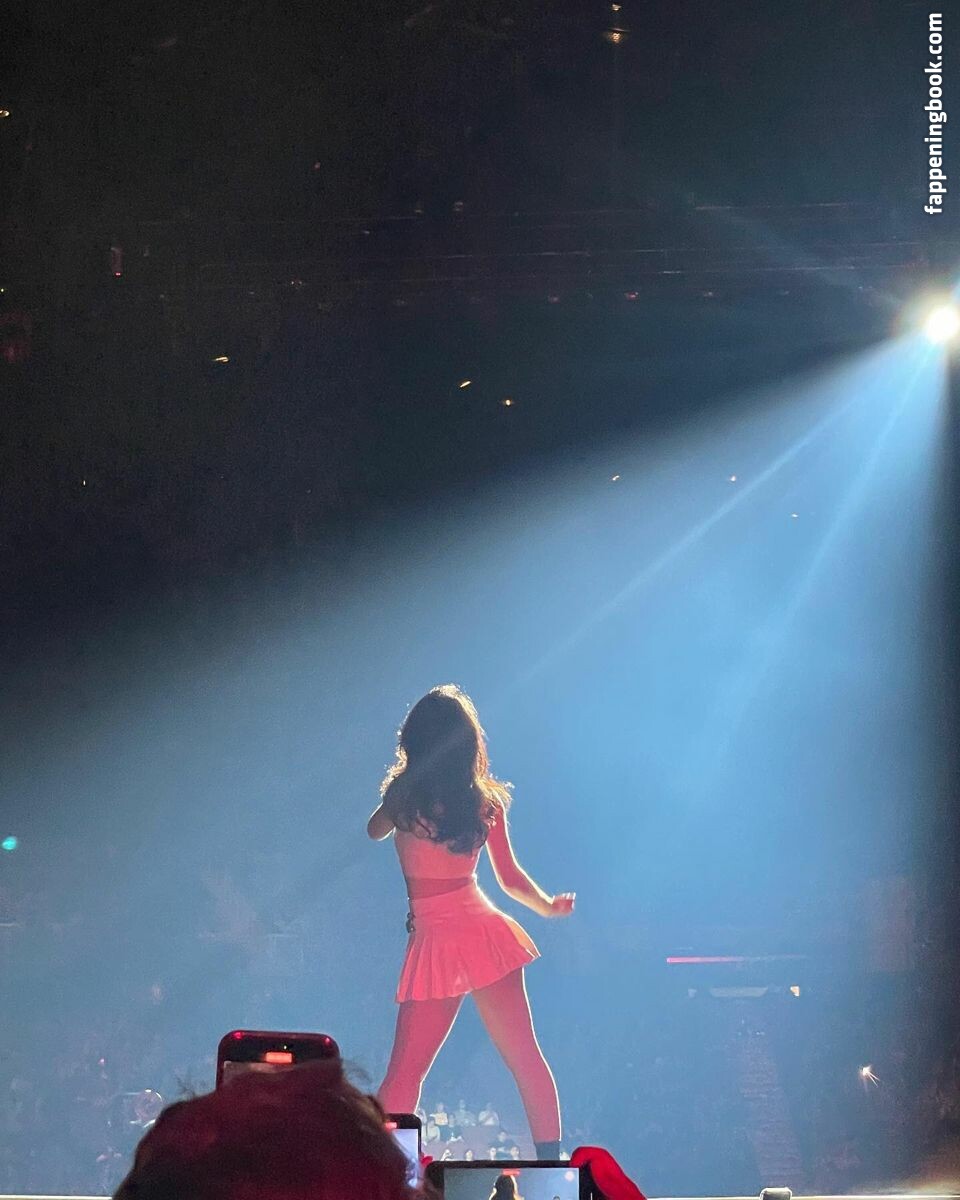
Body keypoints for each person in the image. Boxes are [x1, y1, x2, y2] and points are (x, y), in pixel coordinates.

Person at [369, 686, 575, 1159]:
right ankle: (551, 1164)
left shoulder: (403, 799)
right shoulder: (481, 802)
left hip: (438, 938)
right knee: (524, 1057)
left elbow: (373, 830)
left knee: (404, 1073)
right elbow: (510, 878)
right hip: (481, 931)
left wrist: (401, 793)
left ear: (414, 741)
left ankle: (383, 1168)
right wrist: (547, 907)